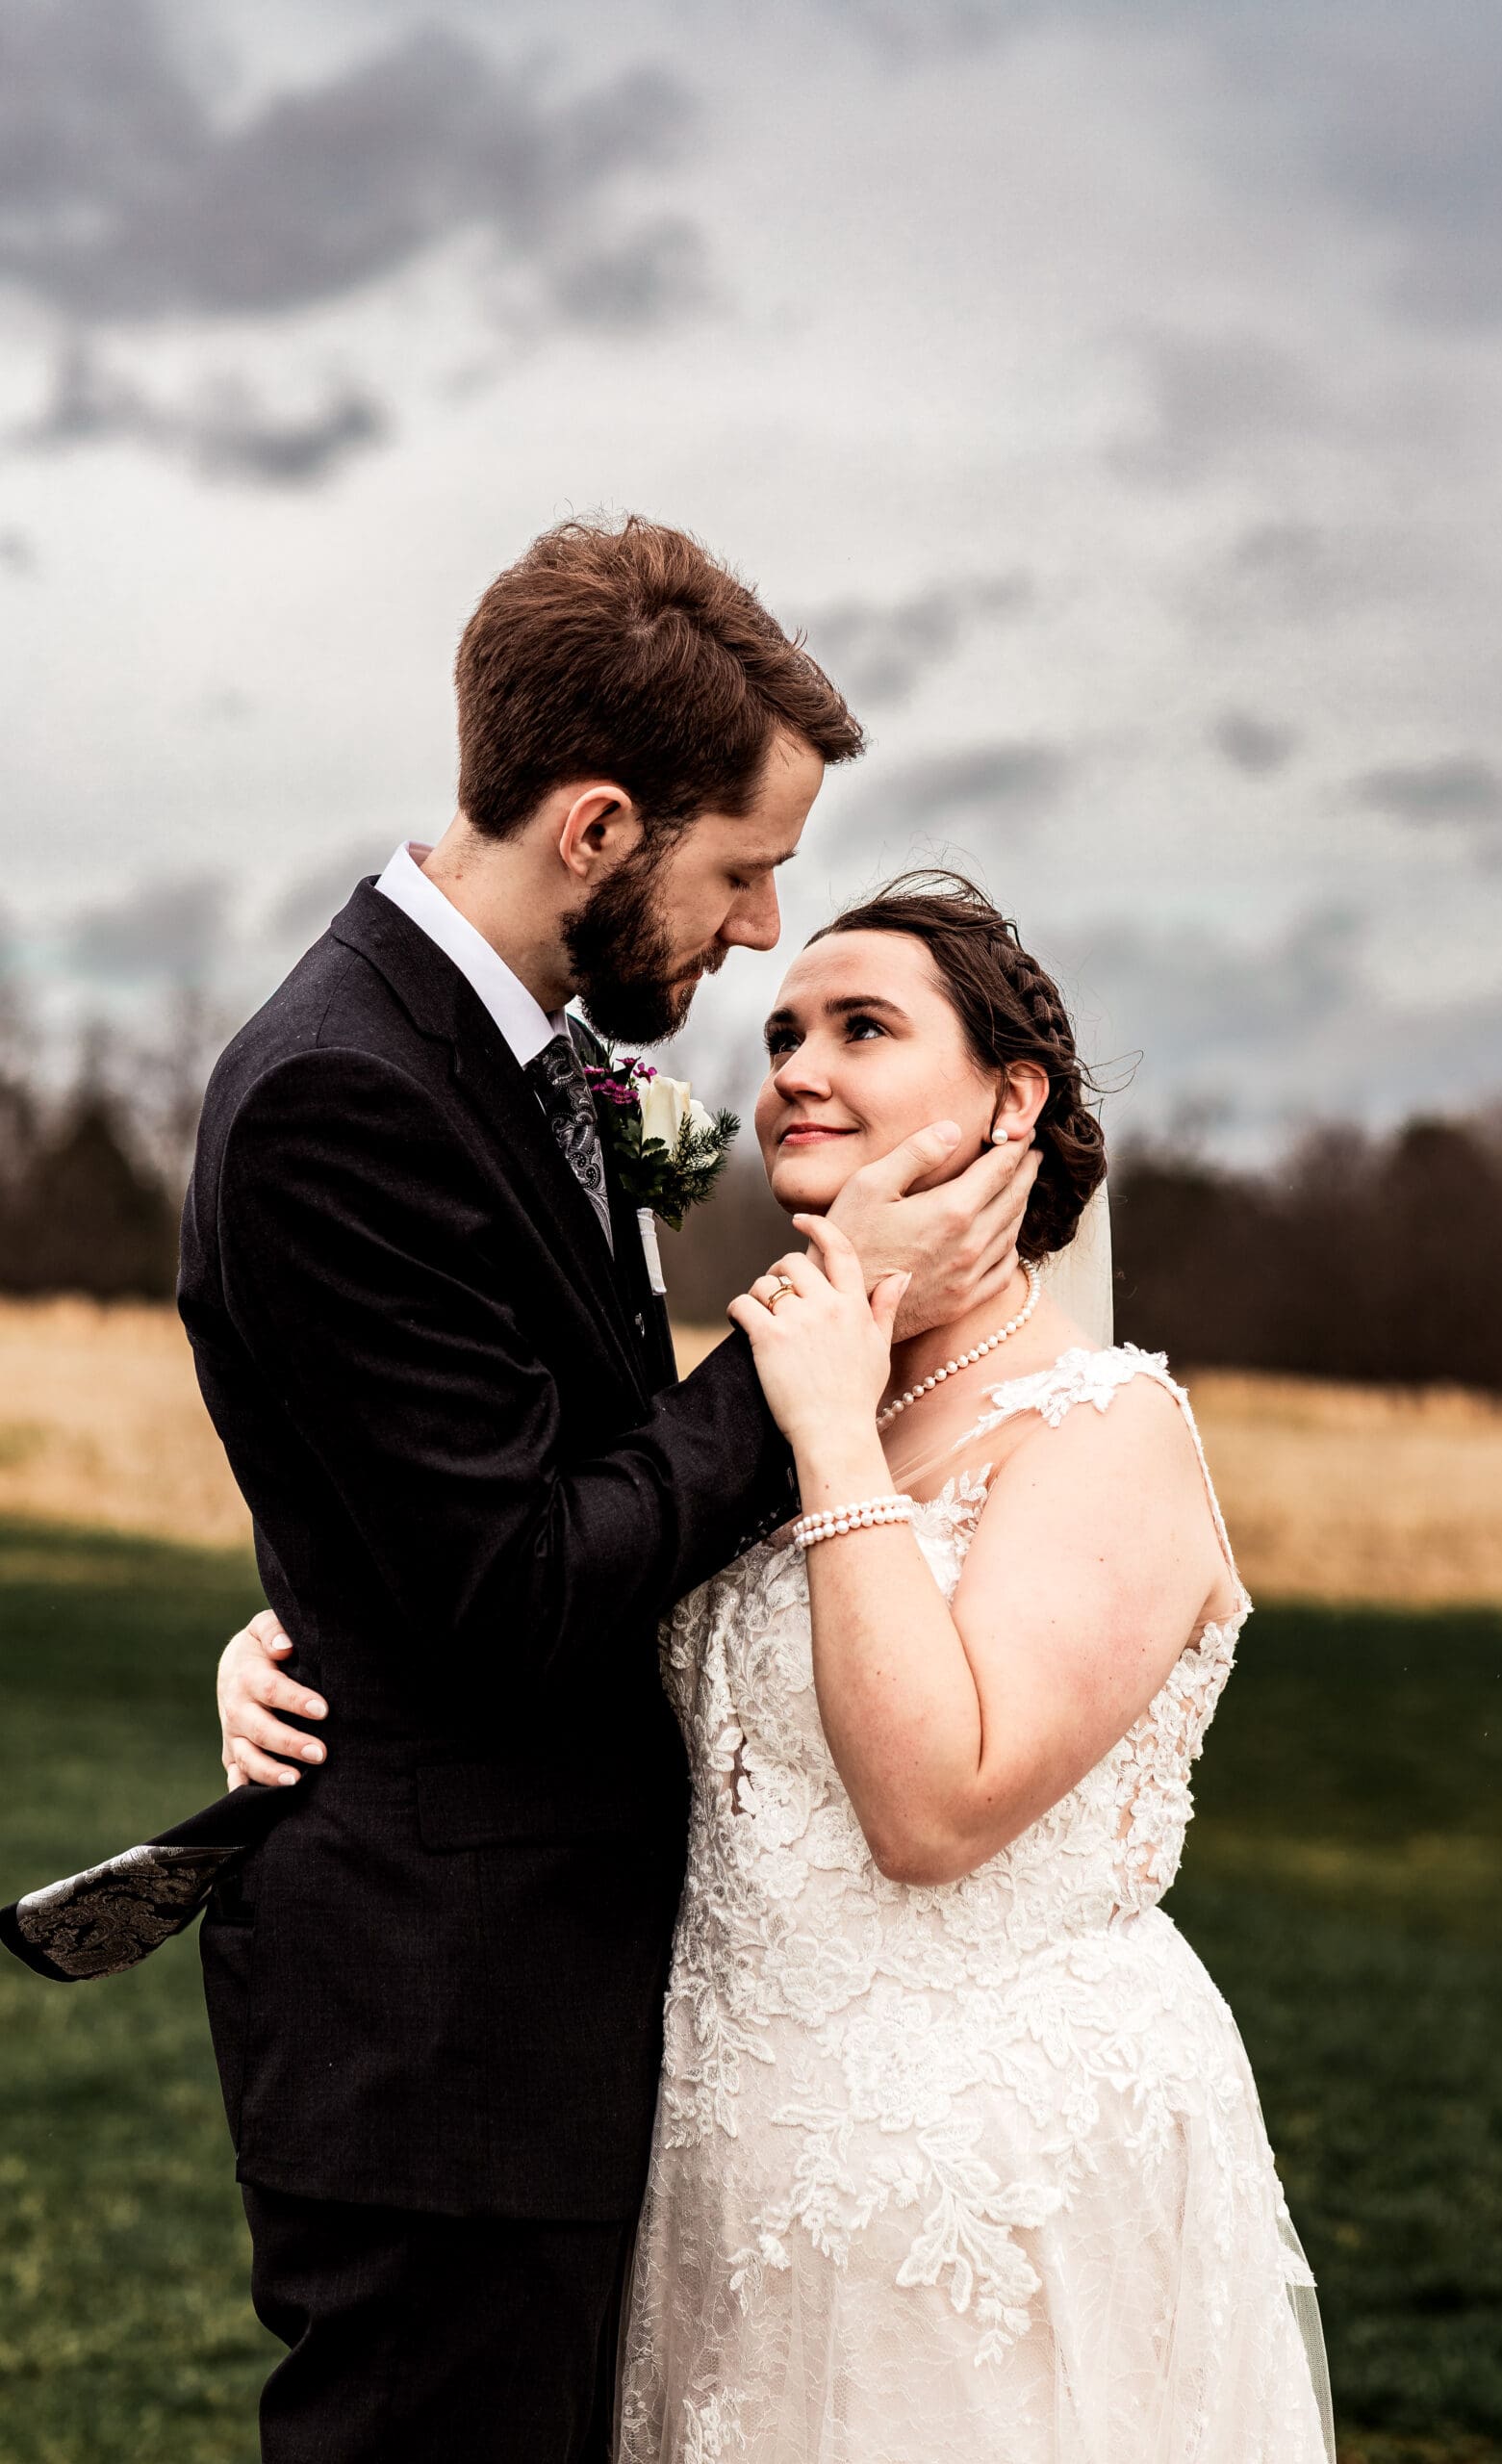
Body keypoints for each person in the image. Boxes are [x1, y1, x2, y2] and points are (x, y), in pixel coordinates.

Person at [54, 522, 1037, 2464]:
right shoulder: (348, 1089)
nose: (763, 928)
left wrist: (315, 1610)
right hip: (452, 2038)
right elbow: (511, 1576)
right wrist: (817, 1332)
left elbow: (477, 1495)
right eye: (742, 868)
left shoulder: (526, 1062)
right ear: (597, 826)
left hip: (536, 2006)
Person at [223, 875, 1335, 2462]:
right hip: (722, 2165)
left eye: (863, 1028)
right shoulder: (764, 1412)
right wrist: (296, 1647)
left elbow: (932, 1807)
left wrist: (822, 1425)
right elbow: (548, 1586)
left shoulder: (1109, 1435)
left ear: (1011, 1097)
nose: (795, 1066)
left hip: (982, 2187)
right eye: (787, 1031)